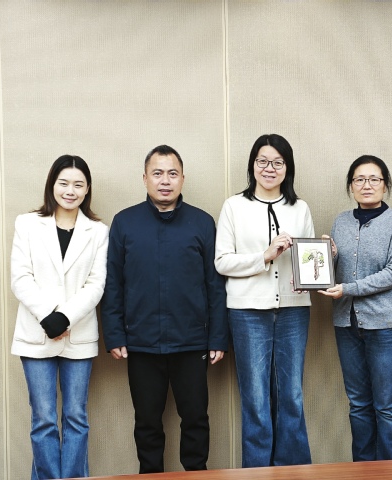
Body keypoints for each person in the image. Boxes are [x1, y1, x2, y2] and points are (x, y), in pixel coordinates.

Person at [101, 145, 228, 474]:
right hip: (141, 342)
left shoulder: (202, 222)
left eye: (172, 173)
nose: (165, 181)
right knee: (147, 422)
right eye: (157, 173)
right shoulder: (125, 222)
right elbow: (113, 283)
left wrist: (217, 338)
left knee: (196, 419)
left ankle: (196, 474)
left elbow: (215, 286)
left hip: (192, 342)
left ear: (183, 178)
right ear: (145, 178)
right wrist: (114, 334)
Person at [214, 134, 314, 467]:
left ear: (288, 167)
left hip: (294, 311)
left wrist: (323, 258)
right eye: (263, 161)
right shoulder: (234, 206)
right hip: (247, 312)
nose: (269, 168)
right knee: (255, 398)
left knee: (291, 395)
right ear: (253, 165)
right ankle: (257, 471)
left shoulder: (300, 208)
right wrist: (265, 256)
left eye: (278, 162)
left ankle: (293, 470)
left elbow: (307, 263)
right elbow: (222, 262)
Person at [10, 155, 108, 479]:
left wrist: (64, 318)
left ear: (87, 189)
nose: (70, 190)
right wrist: (48, 317)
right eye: (63, 183)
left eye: (78, 184)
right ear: (52, 184)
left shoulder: (98, 231)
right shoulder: (27, 224)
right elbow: (20, 277)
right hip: (36, 333)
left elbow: (96, 283)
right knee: (43, 419)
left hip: (78, 335)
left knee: (76, 417)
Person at [318, 155, 392, 461]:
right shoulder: (341, 221)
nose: (366, 185)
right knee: (358, 404)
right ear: (351, 186)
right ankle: (363, 470)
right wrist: (329, 257)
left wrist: (348, 289)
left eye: (374, 179)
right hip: (347, 325)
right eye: (359, 179)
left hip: (386, 325)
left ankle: (391, 472)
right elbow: (337, 271)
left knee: (386, 406)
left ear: (385, 185)